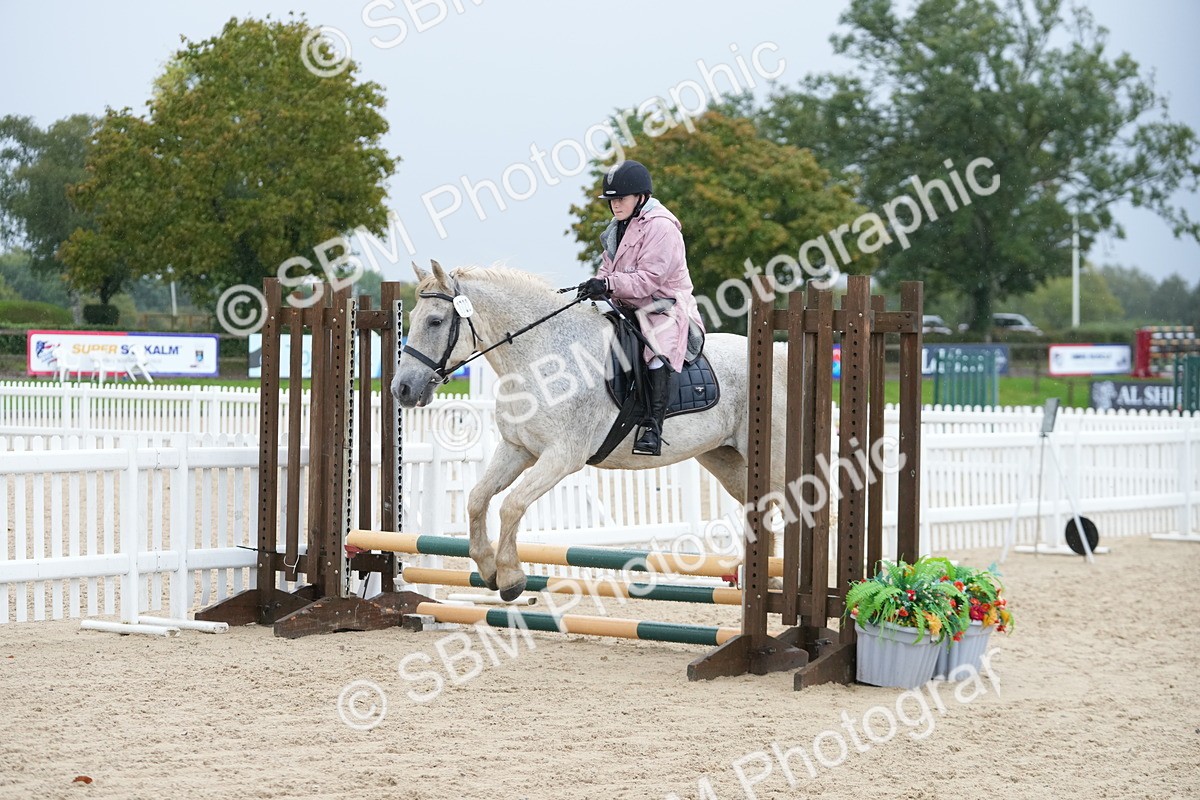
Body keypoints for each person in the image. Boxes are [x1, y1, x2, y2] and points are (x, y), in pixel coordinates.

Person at [577, 160, 704, 456]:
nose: (615, 205)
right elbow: (607, 267)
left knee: (656, 352)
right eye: (611, 200)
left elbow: (650, 280)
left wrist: (608, 285)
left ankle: (652, 426)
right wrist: (594, 283)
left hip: (665, 306)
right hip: (628, 304)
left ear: (641, 198)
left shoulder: (662, 226)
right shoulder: (617, 227)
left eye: (620, 198)